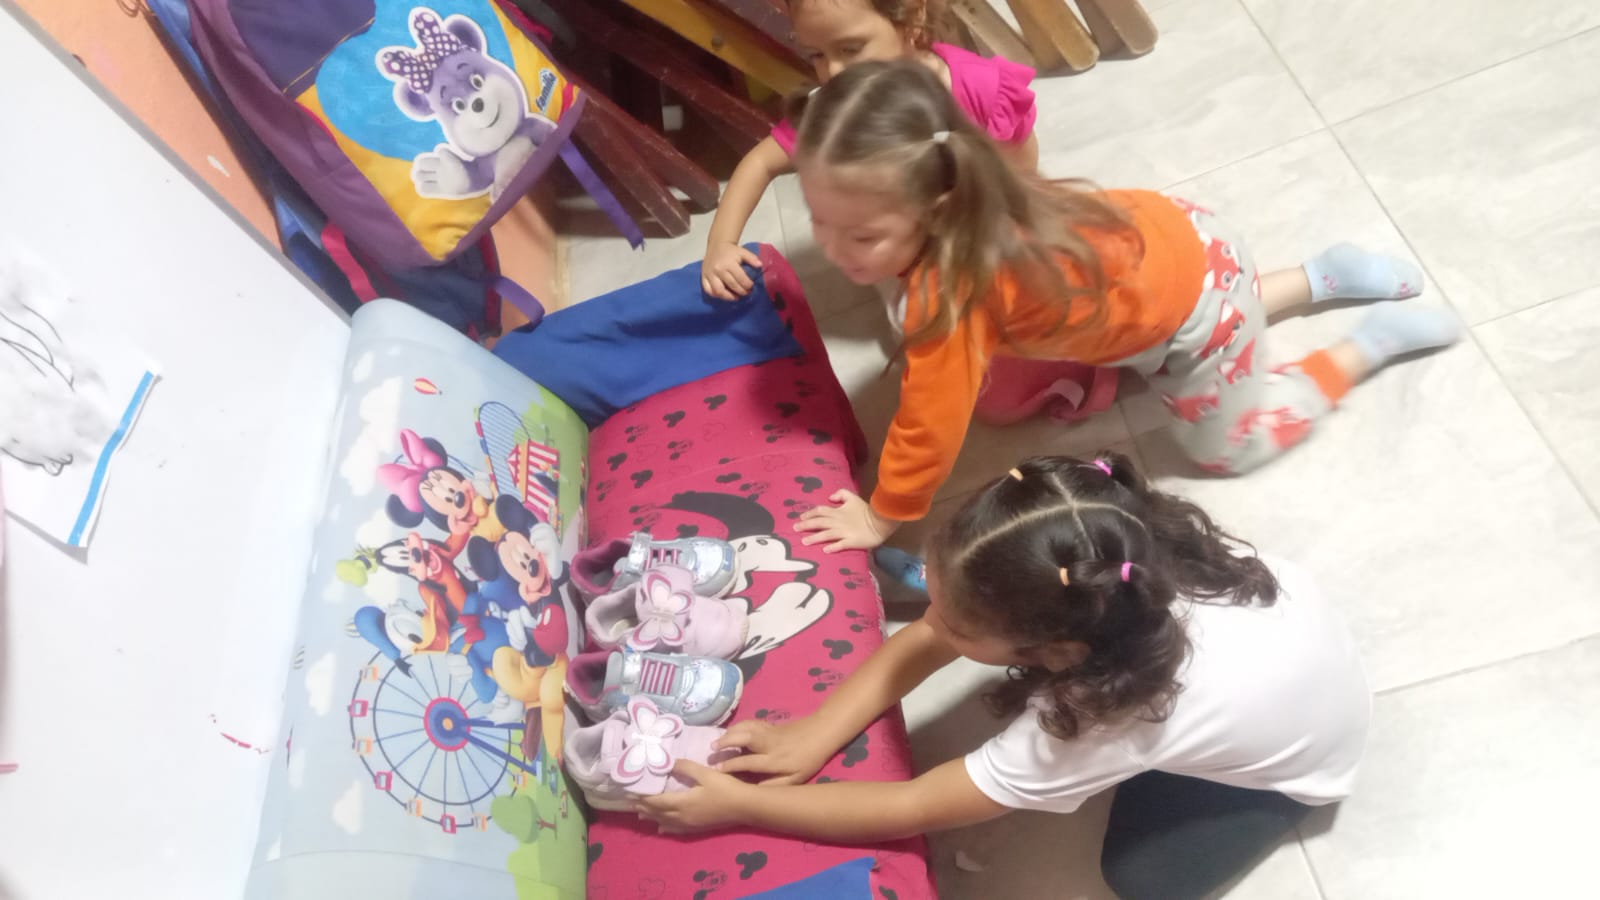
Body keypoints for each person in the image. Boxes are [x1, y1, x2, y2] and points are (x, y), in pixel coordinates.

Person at [784, 60, 1461, 552]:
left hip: (1196, 314)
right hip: (1190, 236)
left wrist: (882, 515)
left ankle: (1365, 346)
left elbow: (927, 428)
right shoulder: (984, 186)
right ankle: (1320, 276)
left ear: (934, 211)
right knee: (1218, 310)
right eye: (819, 221)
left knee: (1230, 447)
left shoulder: (946, 299)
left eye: (862, 236)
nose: (834, 251)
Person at [638, 454, 1371, 900]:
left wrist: (744, 806)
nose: (933, 624)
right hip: (1305, 663)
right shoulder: (1128, 546)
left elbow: (914, 804)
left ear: (1061, 651)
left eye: (961, 627)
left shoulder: (1104, 720)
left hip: (1302, 764)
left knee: (1144, 880)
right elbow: (932, 632)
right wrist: (818, 730)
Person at [701, 0, 1040, 300]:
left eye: (850, 49)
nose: (832, 72)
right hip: (906, 265)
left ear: (912, 17)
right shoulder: (838, 110)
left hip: (983, 239)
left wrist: (1014, 226)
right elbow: (761, 162)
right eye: (817, 54)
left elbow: (1021, 164)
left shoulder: (977, 87)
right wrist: (720, 244)